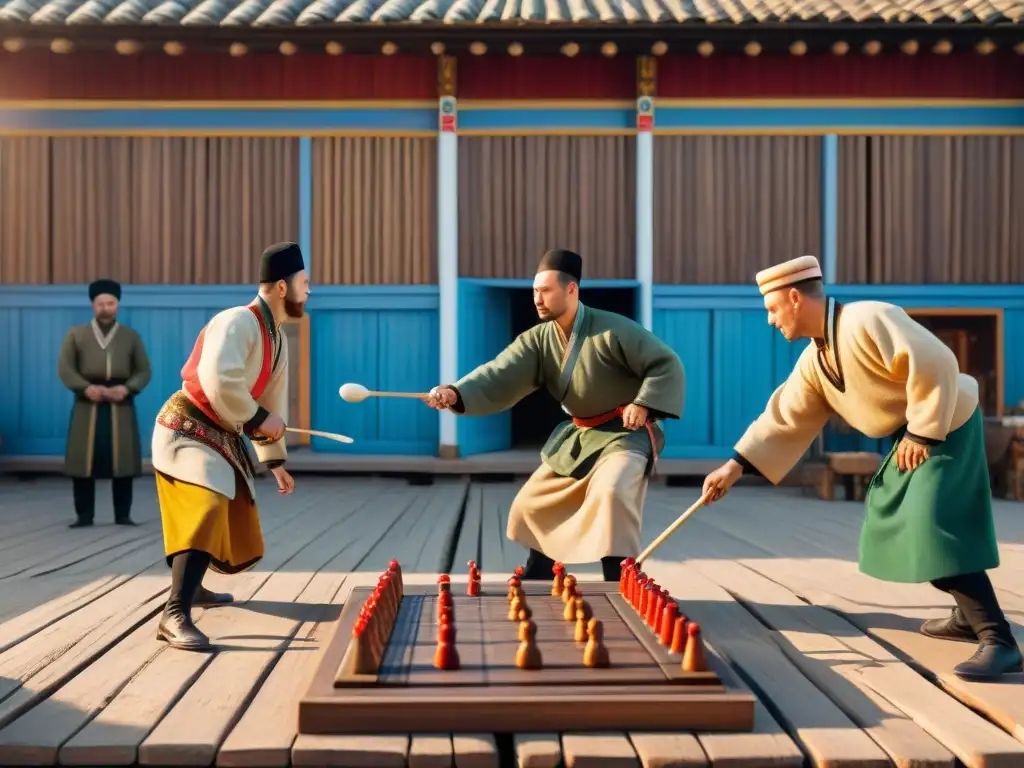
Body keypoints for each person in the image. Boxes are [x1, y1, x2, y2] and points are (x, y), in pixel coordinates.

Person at [702, 255, 1022, 682]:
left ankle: (999, 639)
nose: (770, 321)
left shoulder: (868, 318)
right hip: (912, 433)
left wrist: (923, 433)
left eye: (773, 309)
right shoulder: (816, 362)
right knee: (895, 527)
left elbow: (938, 361)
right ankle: (967, 616)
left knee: (933, 526)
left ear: (795, 298)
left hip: (946, 423)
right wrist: (734, 467)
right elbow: (784, 417)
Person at [426, 249, 685, 582]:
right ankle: (542, 568)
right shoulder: (538, 339)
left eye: (545, 290)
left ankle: (618, 577)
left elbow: (666, 363)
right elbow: (499, 372)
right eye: (535, 291)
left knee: (613, 493)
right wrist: (456, 392)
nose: (538, 299)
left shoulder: (613, 329)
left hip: (625, 434)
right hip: (581, 436)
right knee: (532, 501)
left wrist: (644, 403)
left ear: (571, 289)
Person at [150, 242, 309, 651]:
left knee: (221, 508)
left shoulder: (277, 339)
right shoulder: (238, 320)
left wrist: (274, 459)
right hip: (186, 427)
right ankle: (174, 613)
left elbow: (273, 403)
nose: (308, 292)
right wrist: (257, 419)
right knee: (206, 505)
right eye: (303, 284)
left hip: (219, 433)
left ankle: (194, 587)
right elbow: (220, 378)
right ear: (279, 286)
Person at [58, 279, 151, 528]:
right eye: (101, 303)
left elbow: (143, 371)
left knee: (123, 460)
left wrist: (127, 388)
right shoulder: (76, 335)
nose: (106, 308)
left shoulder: (130, 337)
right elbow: (66, 368)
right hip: (86, 403)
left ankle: (123, 515)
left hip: (121, 404)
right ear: (93, 305)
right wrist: (86, 388)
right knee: (83, 460)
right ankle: (84, 516)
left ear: (117, 305)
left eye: (111, 303)